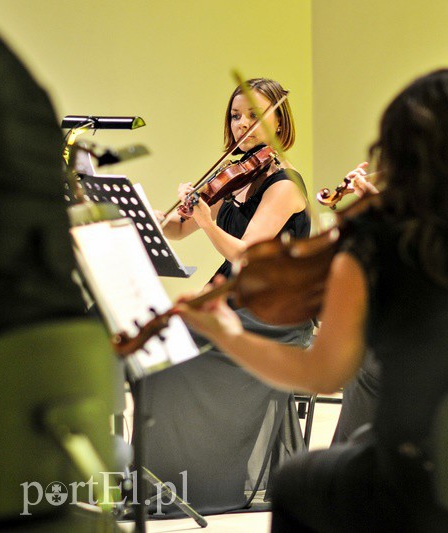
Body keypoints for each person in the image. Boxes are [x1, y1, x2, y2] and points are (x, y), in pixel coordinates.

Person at [179, 69, 448, 531]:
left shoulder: (376, 245)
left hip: (424, 476)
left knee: (302, 480)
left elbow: (321, 372)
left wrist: (228, 333)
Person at [143, 78, 311, 515]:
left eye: (254, 115)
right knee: (160, 347)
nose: (242, 125)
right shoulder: (230, 179)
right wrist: (155, 217)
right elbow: (179, 232)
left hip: (272, 313)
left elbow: (245, 255)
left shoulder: (284, 185)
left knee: (174, 349)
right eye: (236, 116)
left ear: (279, 120)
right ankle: (169, 478)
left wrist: (206, 217)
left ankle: (201, 483)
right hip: (236, 304)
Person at [0, 30, 85, 335]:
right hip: (47, 307)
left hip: (19, 312)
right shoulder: (11, 74)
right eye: (233, 116)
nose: (242, 125)